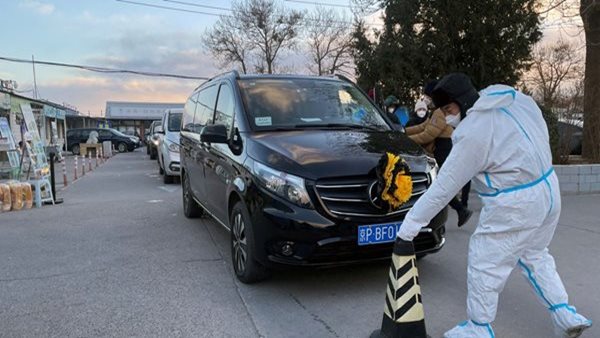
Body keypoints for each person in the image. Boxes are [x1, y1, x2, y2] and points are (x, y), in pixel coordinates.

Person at [397, 73, 592, 338]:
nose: (448, 116)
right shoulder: (511, 101)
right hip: (548, 189)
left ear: (463, 102)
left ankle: (479, 327)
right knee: (535, 254)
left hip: (515, 202)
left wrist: (409, 226)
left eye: (449, 109)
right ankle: (564, 313)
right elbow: (541, 131)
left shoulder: (475, 131)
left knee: (484, 261)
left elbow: (444, 187)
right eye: (443, 111)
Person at [405, 92, 473, 227]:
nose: (427, 100)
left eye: (428, 97)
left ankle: (460, 209)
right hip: (441, 148)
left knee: (440, 184)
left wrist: (405, 139)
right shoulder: (436, 112)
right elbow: (423, 126)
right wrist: (403, 131)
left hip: (444, 148)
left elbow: (428, 134)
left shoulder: (440, 112)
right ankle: (460, 209)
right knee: (440, 183)